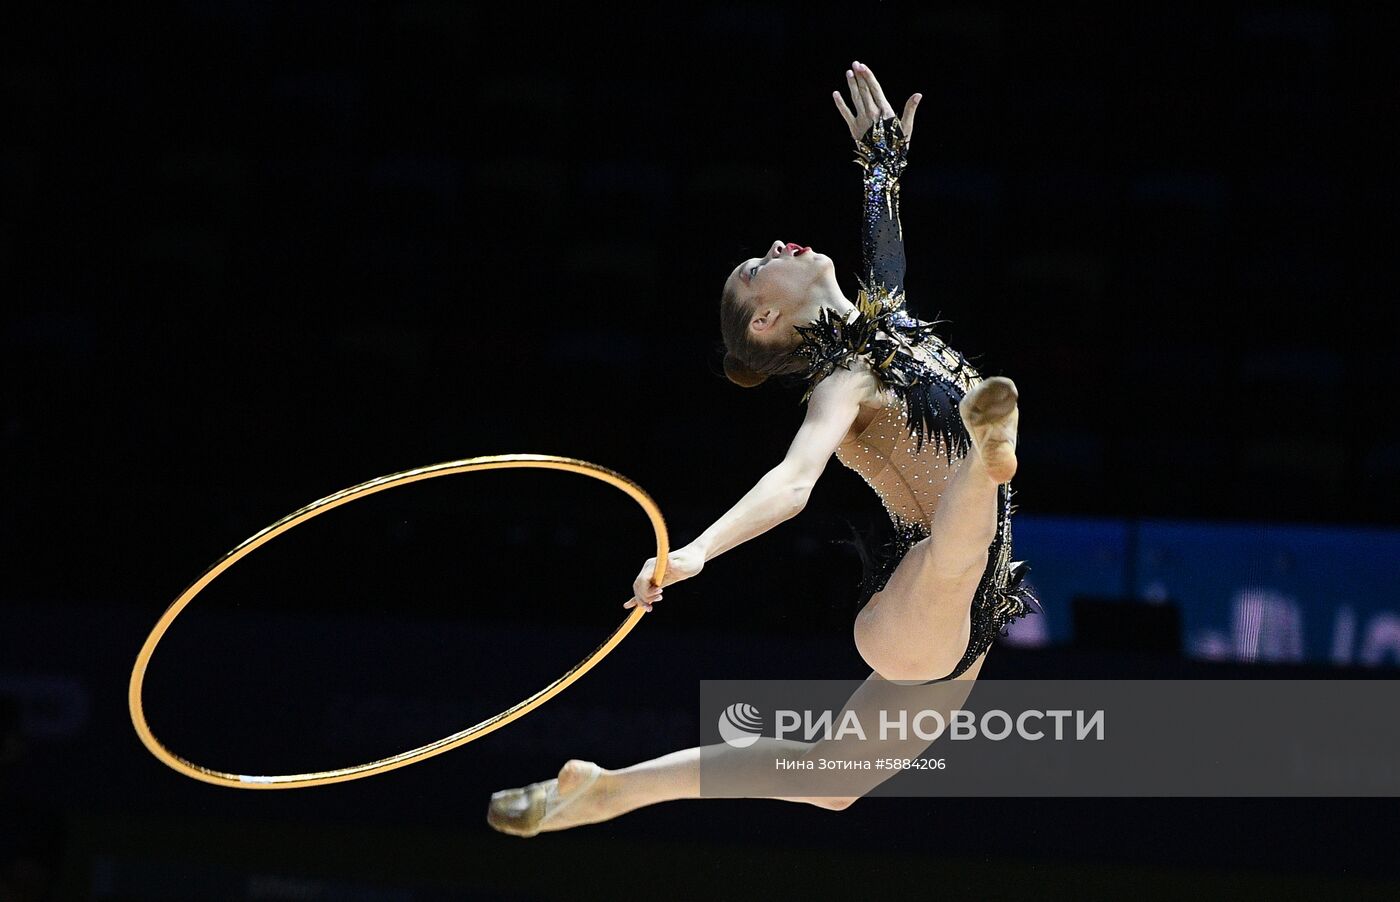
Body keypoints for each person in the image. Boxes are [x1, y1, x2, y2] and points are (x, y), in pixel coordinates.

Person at [487, 60, 1039, 836]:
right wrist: (696, 553)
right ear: (764, 322)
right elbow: (791, 482)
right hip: (921, 602)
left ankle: (607, 791)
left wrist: (882, 165)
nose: (775, 245)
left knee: (831, 781)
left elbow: (884, 255)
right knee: (960, 545)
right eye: (757, 268)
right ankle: (989, 456)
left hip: (960, 631)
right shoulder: (845, 382)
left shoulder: (888, 326)